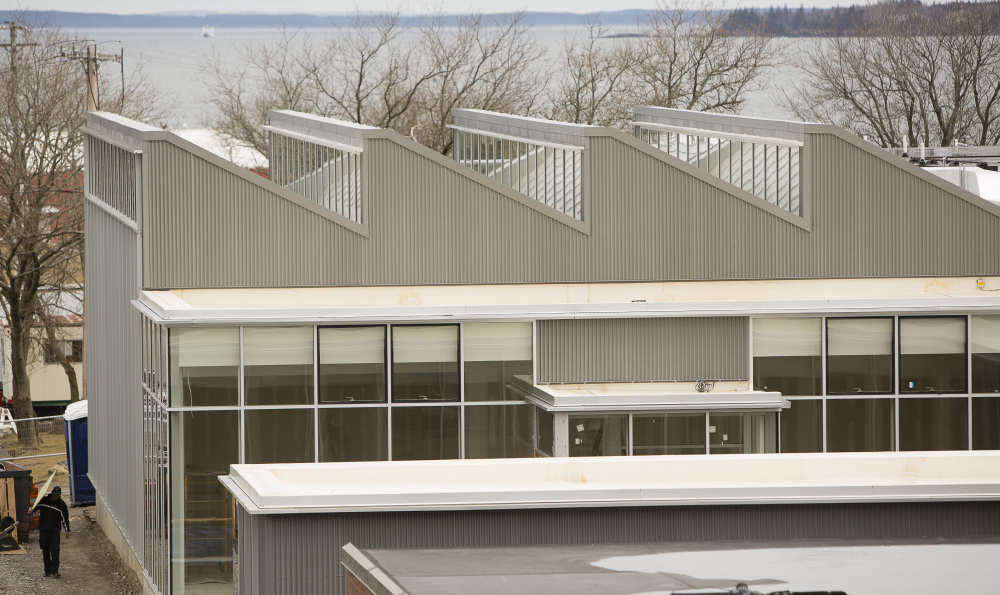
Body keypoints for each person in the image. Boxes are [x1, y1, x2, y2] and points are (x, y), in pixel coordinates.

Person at [32, 485, 70, 578]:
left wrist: (67, 529)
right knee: (45, 550)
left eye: (57, 495)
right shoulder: (44, 500)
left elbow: (65, 518)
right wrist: (31, 510)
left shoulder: (61, 505)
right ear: (52, 493)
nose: (56, 496)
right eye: (54, 494)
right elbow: (35, 507)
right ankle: (47, 570)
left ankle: (55, 571)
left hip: (54, 531)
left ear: (59, 495)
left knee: (55, 550)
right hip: (44, 529)